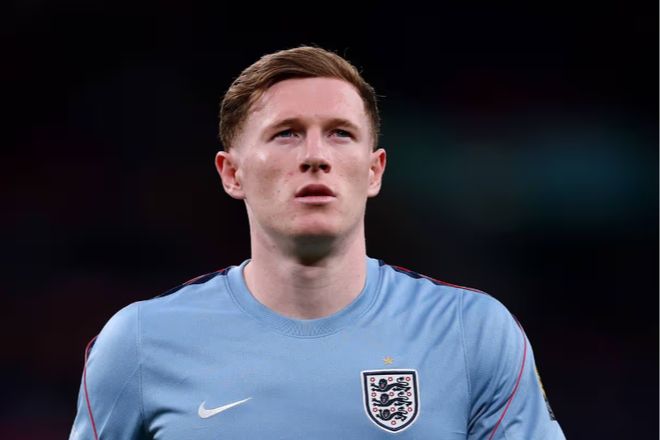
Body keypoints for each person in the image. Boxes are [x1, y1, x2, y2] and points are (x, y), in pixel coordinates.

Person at [69, 46, 565, 439]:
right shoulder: (140, 343)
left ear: (374, 171)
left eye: (340, 134)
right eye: (286, 133)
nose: (315, 156)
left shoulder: (470, 332)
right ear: (232, 173)